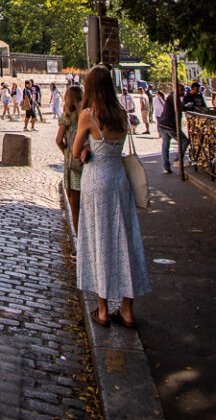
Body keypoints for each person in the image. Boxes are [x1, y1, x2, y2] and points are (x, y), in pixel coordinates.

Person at [72, 65, 150, 328]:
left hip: (95, 182)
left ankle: (103, 308)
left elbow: (74, 152)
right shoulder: (121, 114)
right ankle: (127, 309)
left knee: (98, 240)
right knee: (125, 239)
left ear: (90, 87)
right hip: (119, 180)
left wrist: (84, 146)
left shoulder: (88, 115)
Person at [56, 84, 83, 232]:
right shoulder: (87, 115)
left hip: (72, 163)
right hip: (87, 163)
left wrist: (66, 151)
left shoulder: (65, 117)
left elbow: (59, 139)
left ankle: (81, 243)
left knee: (75, 208)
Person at [158, 84, 190, 174]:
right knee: (184, 141)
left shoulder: (171, 97)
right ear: (176, 90)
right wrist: (188, 106)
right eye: (181, 90)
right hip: (170, 125)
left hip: (163, 124)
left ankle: (166, 167)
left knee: (165, 145)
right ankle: (177, 159)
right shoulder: (174, 97)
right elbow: (181, 108)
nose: (183, 92)